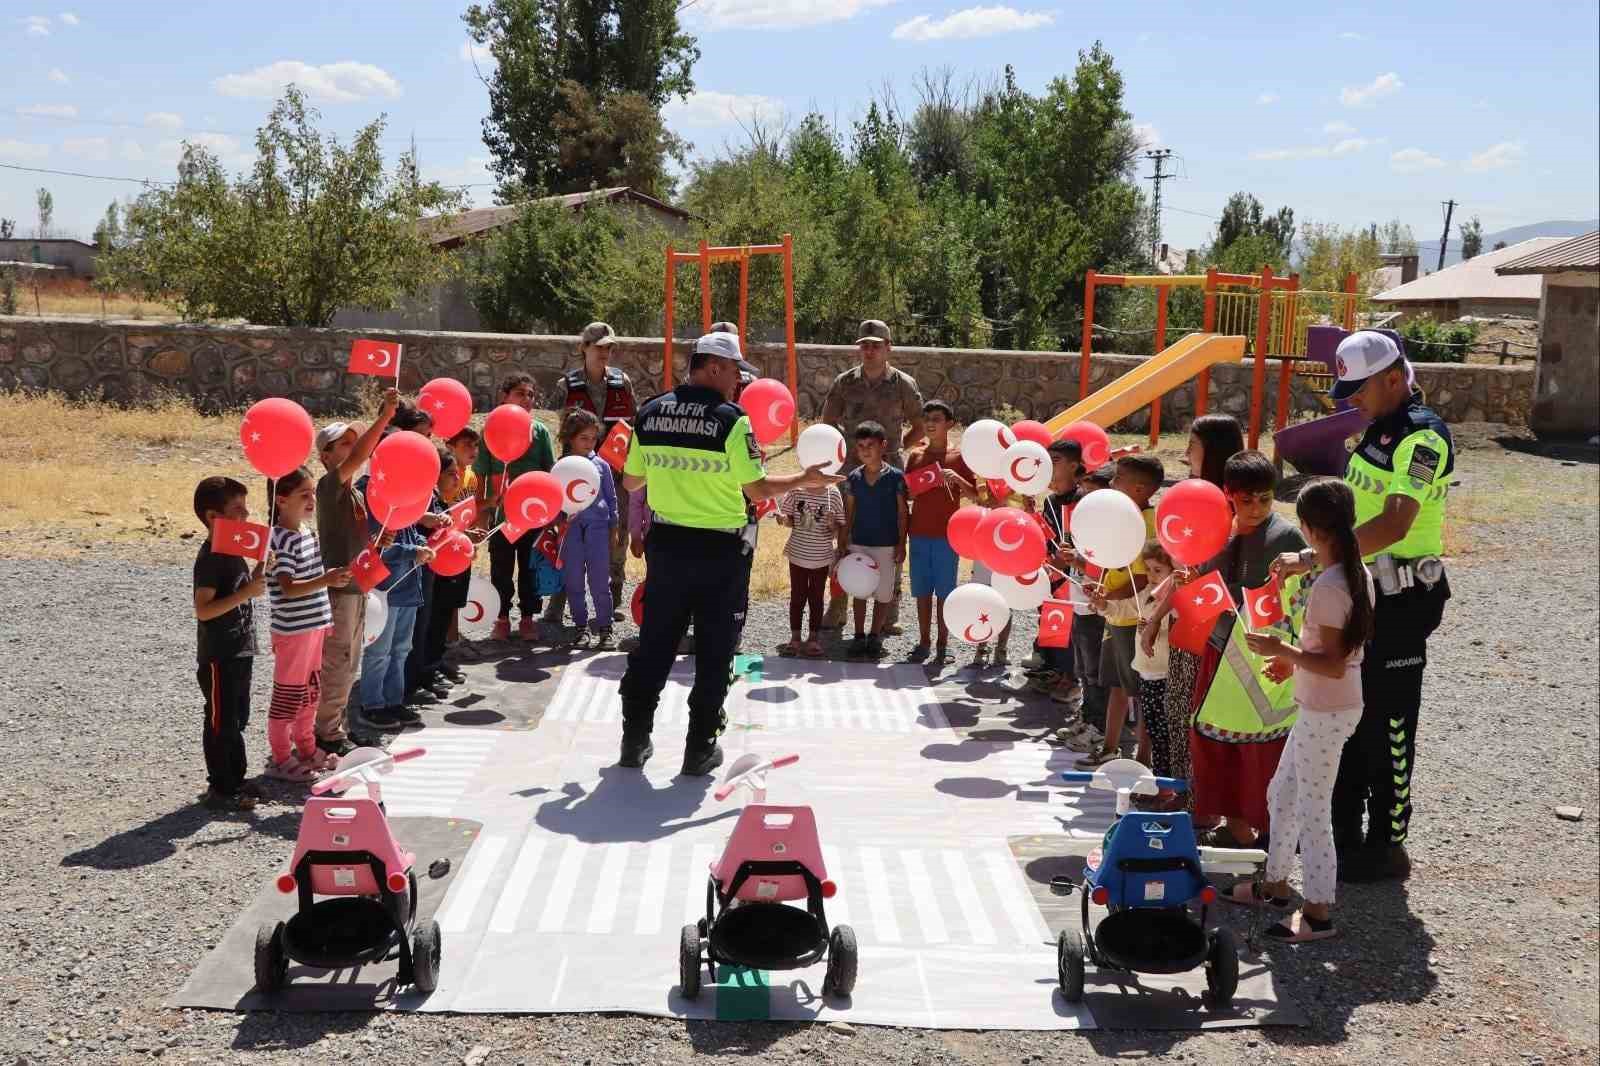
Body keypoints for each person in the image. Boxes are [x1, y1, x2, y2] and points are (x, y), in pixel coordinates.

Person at [617, 331, 841, 775]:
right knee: (716, 651)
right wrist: (804, 480)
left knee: (655, 645)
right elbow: (756, 489)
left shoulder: (651, 412)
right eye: (736, 371)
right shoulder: (731, 420)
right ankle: (699, 749)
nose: (739, 381)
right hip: (721, 551)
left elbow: (631, 481)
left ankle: (634, 741)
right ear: (714, 367)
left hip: (667, 546)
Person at [1278, 331, 1453, 882]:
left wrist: (1317, 556)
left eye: (1360, 389)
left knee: (1389, 720)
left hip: (1404, 597)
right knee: (1346, 712)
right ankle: (1341, 832)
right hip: (1366, 587)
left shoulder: (1423, 440)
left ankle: (1388, 843)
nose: (1352, 399)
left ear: (1394, 379)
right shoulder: (1379, 425)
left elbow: (1395, 522)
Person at [1233, 478, 1375, 941]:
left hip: (1327, 708)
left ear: (1311, 528)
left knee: (1312, 808)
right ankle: (1275, 885)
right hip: (1323, 704)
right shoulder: (1351, 571)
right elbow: (1335, 655)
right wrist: (1293, 663)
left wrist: (1283, 651)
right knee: (1282, 793)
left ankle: (1317, 911)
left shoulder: (1332, 585)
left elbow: (1333, 664)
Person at [1174, 450, 1308, 847]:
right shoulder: (1214, 530)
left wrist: (1290, 657)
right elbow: (1205, 586)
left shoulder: (1287, 539)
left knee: (1262, 747)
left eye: (1265, 499)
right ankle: (1234, 827)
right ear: (1228, 494)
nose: (1256, 508)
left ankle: (1270, 832)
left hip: (1264, 658)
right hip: (1220, 651)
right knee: (1218, 742)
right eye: (1246, 500)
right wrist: (1189, 584)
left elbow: (1301, 603)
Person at [1143, 414, 1244, 799]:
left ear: (1213, 450)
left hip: (1212, 631)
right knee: (1176, 708)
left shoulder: (1232, 507)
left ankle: (1198, 804)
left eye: (1193, 446)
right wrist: (1156, 617)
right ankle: (1181, 795)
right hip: (1185, 621)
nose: (1185, 454)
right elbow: (1183, 569)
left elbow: (1210, 575)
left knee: (1196, 714)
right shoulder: (1191, 498)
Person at [819, 320, 926, 633]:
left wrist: (895, 449)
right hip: (851, 471)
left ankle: (890, 611)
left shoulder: (903, 384)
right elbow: (828, 422)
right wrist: (844, 452)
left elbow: (919, 425)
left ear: (888, 348)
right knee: (844, 533)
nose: (869, 350)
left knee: (892, 534)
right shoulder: (844, 382)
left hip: (889, 472)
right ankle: (838, 606)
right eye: (864, 345)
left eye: (876, 345)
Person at [312, 390, 398, 757]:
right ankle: (326, 733)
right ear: (325, 456)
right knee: (338, 661)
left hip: (356, 585)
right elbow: (363, 455)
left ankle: (337, 727)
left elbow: (351, 539)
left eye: (353, 441)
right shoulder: (328, 485)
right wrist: (385, 416)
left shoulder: (355, 494)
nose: (353, 448)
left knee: (351, 662)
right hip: (340, 590)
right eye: (344, 444)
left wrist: (378, 542)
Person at [547, 322, 639, 627]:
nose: (604, 352)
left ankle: (611, 599)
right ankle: (558, 602)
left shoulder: (622, 382)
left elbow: (632, 423)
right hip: (574, 475)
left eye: (609, 347)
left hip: (614, 472)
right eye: (598, 347)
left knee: (617, 532)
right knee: (568, 535)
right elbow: (557, 429)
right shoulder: (566, 386)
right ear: (583, 348)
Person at [1077, 455, 1163, 768]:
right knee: (1116, 685)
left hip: (1132, 619)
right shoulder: (1124, 516)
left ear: (1139, 489)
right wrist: (1101, 589)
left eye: (1118, 478)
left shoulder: (1146, 522)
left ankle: (1143, 757)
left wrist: (1108, 596)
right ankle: (1110, 748)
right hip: (1115, 615)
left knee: (1139, 691)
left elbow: (1140, 579)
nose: (1111, 484)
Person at [265, 468, 350, 781]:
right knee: (288, 696)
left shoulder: (306, 532)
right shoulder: (279, 539)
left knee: (310, 693)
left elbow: (312, 580)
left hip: (314, 629)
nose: (312, 499)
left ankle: (307, 748)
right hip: (293, 633)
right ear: (282, 500)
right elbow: (288, 587)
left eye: (313, 492)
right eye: (304, 494)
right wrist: (326, 580)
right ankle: (280, 758)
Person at [191, 477, 269, 811]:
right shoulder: (212, 557)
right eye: (237, 508)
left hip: (240, 648)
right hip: (219, 655)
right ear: (213, 516)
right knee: (220, 721)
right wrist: (246, 592)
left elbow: (239, 592)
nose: (246, 514)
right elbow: (204, 609)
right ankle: (221, 788)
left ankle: (236, 778)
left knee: (237, 718)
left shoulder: (233, 550)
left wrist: (257, 575)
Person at [474, 372, 556, 641]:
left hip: (532, 513)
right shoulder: (491, 428)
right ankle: (502, 618)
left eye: (531, 394)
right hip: (502, 516)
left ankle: (528, 618)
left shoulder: (539, 431)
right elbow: (481, 474)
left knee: (530, 568)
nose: (527, 399)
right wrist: (481, 510)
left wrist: (550, 513)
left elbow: (549, 471)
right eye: (520, 393)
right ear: (504, 396)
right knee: (501, 568)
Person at [357, 471, 436, 730]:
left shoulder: (402, 496)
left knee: (401, 649)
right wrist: (414, 552)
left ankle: (393, 701)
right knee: (379, 651)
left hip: (408, 587)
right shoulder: (371, 493)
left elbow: (410, 532)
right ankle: (371, 705)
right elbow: (377, 546)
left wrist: (422, 544)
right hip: (385, 590)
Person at [903, 400, 976, 664]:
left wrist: (957, 479)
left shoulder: (959, 457)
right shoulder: (916, 456)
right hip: (919, 533)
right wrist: (920, 485)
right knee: (922, 591)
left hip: (948, 537)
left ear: (950, 424)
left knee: (945, 592)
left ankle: (943, 644)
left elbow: (975, 495)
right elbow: (907, 494)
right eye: (927, 419)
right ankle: (923, 641)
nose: (930, 423)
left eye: (936, 418)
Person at [1019, 438, 1085, 702]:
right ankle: (1053, 673)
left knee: (1071, 630)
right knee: (1052, 624)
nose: (1049, 466)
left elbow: (1077, 543)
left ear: (1074, 466)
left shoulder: (1082, 499)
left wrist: (1060, 565)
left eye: (1055, 461)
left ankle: (1072, 680)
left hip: (1073, 577)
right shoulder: (1049, 501)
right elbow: (1046, 535)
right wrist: (1030, 513)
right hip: (1051, 575)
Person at [839, 421, 909, 659]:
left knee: (883, 593)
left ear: (883, 445)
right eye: (861, 446)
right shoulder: (854, 477)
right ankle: (859, 636)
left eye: (871, 445)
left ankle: (875, 636)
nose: (865, 450)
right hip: (858, 543)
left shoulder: (896, 477)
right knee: (859, 590)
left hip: (887, 544)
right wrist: (843, 543)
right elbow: (849, 513)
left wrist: (901, 544)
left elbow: (903, 513)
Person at [1059, 464, 1114, 753]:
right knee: (1082, 667)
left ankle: (1098, 728)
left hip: (1096, 610)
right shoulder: (1084, 525)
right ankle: (1087, 717)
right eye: (1084, 491)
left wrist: (1078, 562)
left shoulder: (1113, 530)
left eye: (1093, 493)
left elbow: (1104, 570)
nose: (1085, 498)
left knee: (1095, 671)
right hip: (1080, 604)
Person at [557, 407, 620, 648]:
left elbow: (611, 499)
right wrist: (558, 522)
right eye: (583, 438)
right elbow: (555, 499)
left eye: (593, 438)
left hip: (598, 530)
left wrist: (614, 528)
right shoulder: (561, 466)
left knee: (599, 581)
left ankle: (605, 628)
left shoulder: (602, 465)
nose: (589, 443)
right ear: (570, 438)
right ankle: (581, 628)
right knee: (574, 580)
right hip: (571, 531)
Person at [776, 478, 845, 658]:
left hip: (821, 557)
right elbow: (789, 520)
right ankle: (795, 638)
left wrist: (832, 524)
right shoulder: (796, 490)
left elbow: (839, 530)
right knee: (797, 597)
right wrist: (783, 519)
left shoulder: (833, 493)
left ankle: (814, 639)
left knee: (816, 598)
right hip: (797, 554)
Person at [419, 448, 471, 686]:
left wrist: (466, 536)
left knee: (442, 618)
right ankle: (427, 669)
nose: (457, 478)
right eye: (451, 473)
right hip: (432, 571)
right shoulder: (426, 500)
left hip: (445, 571)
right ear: (436, 474)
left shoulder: (440, 500)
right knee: (431, 621)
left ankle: (436, 661)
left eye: (457, 473)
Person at [1133, 541, 1175, 778]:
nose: (1151, 575)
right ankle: (1159, 781)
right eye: (1148, 569)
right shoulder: (1147, 594)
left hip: (1164, 674)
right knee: (1152, 728)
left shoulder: (1174, 600)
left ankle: (1165, 785)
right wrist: (1104, 604)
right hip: (1146, 673)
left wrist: (1153, 629)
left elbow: (1175, 632)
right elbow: (1127, 608)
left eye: (1158, 570)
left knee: (1164, 734)